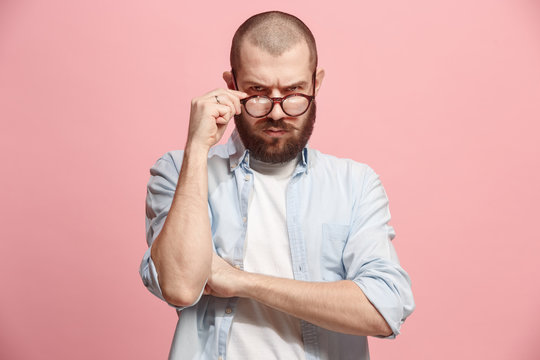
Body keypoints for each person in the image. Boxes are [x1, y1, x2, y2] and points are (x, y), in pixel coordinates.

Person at [140, 10, 415, 360]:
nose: (276, 112)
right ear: (231, 85)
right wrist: (197, 147)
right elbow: (178, 286)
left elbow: (384, 310)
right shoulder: (179, 172)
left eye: (294, 91)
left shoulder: (355, 184)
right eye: (257, 92)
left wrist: (242, 281)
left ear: (316, 83)